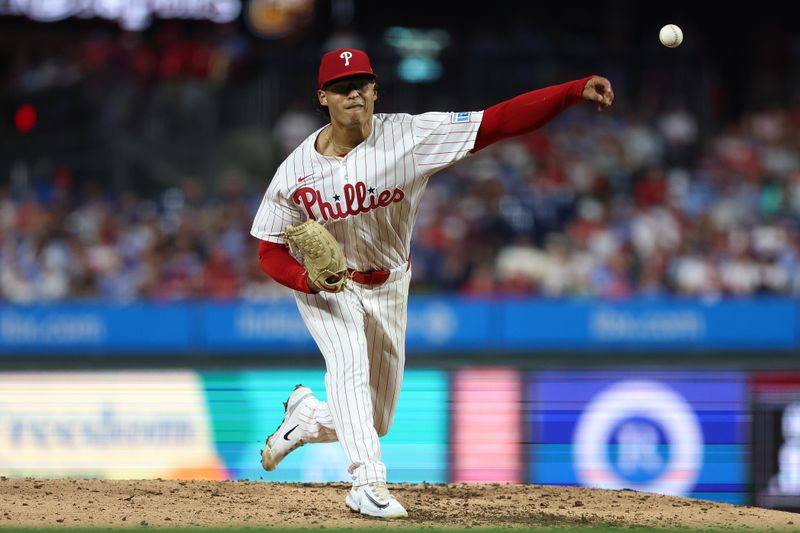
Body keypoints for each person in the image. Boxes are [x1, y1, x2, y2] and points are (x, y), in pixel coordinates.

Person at [250, 48, 614, 518]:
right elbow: (268, 249)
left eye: (361, 83)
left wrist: (569, 91)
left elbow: (496, 122)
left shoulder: (411, 136)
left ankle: (305, 421)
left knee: (376, 417)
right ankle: (366, 482)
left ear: (376, 90)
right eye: (341, 87)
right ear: (323, 97)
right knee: (348, 365)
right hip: (328, 289)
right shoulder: (294, 172)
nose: (353, 93)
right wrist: (305, 278)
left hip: (389, 283)